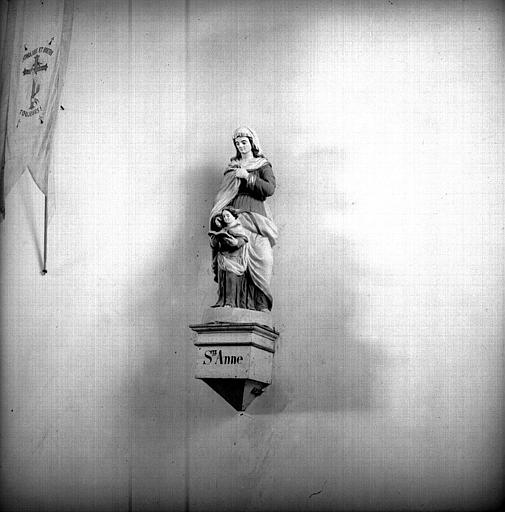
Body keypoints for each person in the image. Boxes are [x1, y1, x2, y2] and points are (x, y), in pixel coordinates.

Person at [209, 127, 278, 311]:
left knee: (263, 259)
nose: (241, 146)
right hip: (235, 219)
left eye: (244, 142)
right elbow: (223, 196)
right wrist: (218, 217)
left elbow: (270, 189)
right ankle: (233, 303)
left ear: (252, 142)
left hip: (258, 219)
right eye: (237, 143)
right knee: (234, 259)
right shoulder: (232, 167)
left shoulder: (262, 165)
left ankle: (260, 304)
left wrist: (247, 176)